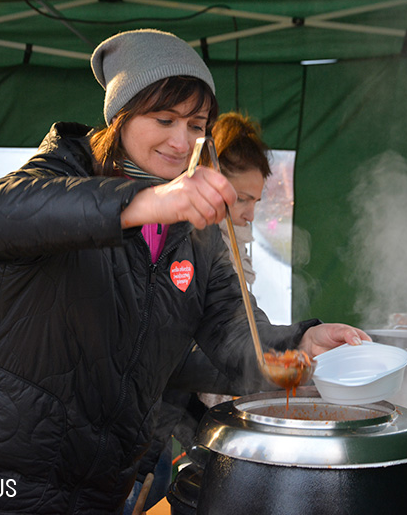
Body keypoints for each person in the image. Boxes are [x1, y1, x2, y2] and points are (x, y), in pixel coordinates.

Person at [0, 29, 368, 514]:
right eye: (163, 119)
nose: (181, 140)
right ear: (121, 115)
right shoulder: (65, 173)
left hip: (96, 493)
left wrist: (299, 345)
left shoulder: (199, 233)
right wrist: (144, 204)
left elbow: (234, 336)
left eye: (196, 124)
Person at [122, 111, 273, 513]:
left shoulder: (233, 242)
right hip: (138, 425)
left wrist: (292, 347)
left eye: (256, 200)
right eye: (241, 199)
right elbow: (173, 351)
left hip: (172, 422)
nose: (249, 213)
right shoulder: (173, 235)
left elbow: (238, 325)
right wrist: (269, 375)